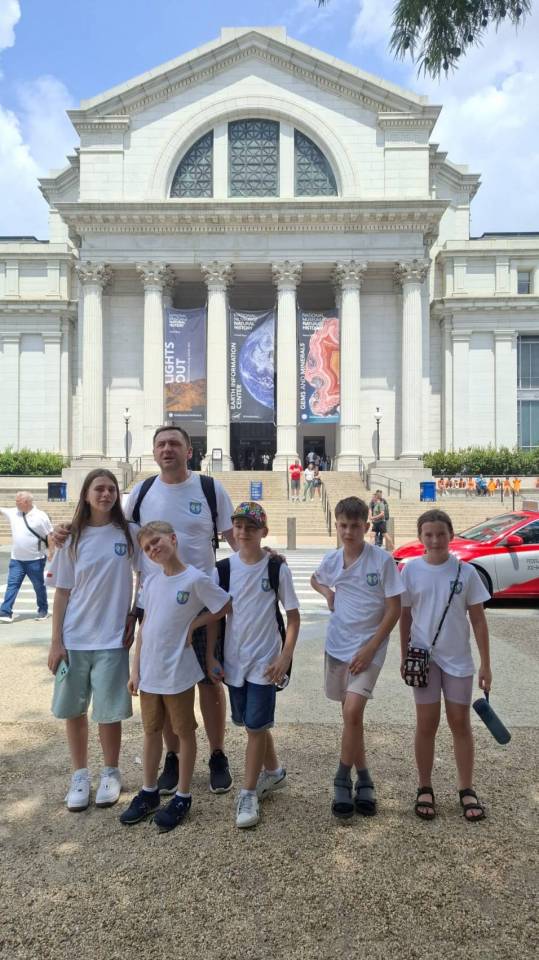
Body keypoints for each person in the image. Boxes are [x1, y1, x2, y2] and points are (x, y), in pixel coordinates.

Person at [54, 426, 237, 796]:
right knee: (159, 683)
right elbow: (111, 526)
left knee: (209, 681)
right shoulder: (141, 492)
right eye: (161, 444)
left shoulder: (209, 488)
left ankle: (217, 753)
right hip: (156, 604)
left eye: (175, 444)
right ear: (154, 452)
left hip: (201, 601)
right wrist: (62, 531)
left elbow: (234, 538)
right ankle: (173, 755)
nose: (167, 449)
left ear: (189, 451)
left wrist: (264, 557)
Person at [120, 521, 231, 833]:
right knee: (151, 731)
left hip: (177, 671)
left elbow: (224, 605)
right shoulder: (152, 581)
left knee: (184, 732)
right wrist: (135, 669)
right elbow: (145, 627)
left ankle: (183, 795)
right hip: (150, 671)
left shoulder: (195, 579)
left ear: (172, 538)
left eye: (156, 542)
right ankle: (149, 790)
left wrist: (194, 625)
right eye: (147, 548)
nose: (153, 549)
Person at [47, 470, 137, 811]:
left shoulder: (128, 533)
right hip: (75, 638)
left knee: (109, 712)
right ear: (86, 494)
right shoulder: (71, 538)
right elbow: (62, 593)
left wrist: (134, 613)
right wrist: (56, 642)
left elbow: (148, 572)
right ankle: (80, 775)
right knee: (74, 711)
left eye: (111, 489)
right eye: (99, 489)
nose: (106, 494)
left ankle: (111, 771)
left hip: (113, 638)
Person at [311, 496, 404, 819]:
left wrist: (371, 648)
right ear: (336, 525)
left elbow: (394, 609)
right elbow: (315, 579)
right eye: (343, 525)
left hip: (369, 649)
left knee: (352, 712)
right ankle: (364, 778)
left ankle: (341, 779)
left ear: (366, 526)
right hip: (337, 645)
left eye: (354, 526)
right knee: (352, 719)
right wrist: (328, 593)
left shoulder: (382, 561)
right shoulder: (332, 560)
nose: (348, 532)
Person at [210, 502, 300, 829]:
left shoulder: (276, 568)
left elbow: (293, 617)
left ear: (264, 531)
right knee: (252, 724)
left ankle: (248, 793)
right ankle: (274, 773)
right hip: (235, 661)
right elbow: (216, 615)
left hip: (266, 662)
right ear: (231, 530)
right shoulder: (223, 570)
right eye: (238, 526)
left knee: (255, 728)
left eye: (251, 527)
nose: (244, 532)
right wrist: (211, 656)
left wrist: (285, 657)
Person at [399, 509, 492, 823]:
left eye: (441, 534)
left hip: (458, 659)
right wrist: (404, 655)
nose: (435, 540)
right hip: (423, 658)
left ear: (451, 535)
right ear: (420, 537)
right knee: (426, 724)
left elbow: (478, 620)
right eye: (428, 534)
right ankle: (424, 786)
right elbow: (405, 616)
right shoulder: (411, 570)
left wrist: (486, 664)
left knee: (460, 722)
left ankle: (466, 787)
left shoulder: (466, 572)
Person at [0, 491, 53, 623]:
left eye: (18, 501)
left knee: (38, 586)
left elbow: (49, 535)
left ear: (27, 502)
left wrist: (52, 553)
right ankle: (5, 612)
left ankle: (43, 609)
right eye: (16, 501)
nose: (16, 504)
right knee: (12, 585)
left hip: (36, 560)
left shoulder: (40, 516)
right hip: (17, 559)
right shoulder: (13, 512)